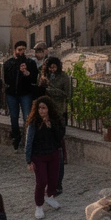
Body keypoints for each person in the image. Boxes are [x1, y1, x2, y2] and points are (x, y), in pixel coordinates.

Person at [25, 96, 65, 219]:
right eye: (39, 108)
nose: (41, 110)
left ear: (49, 109)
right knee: (41, 181)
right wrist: (29, 160)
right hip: (38, 156)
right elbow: (29, 141)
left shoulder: (55, 121)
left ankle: (49, 196)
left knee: (54, 179)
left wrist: (51, 125)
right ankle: (39, 206)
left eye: (44, 108)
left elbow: (60, 136)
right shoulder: (34, 123)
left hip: (53, 154)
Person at [38, 55, 72, 195]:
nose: (52, 70)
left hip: (58, 114)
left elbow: (68, 95)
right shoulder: (43, 76)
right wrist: (42, 85)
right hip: (45, 114)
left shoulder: (64, 78)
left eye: (54, 67)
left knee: (58, 146)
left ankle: (58, 183)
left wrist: (50, 90)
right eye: (50, 67)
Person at [4, 42, 39, 152]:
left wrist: (26, 73)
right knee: (14, 117)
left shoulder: (30, 63)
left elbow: (34, 79)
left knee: (27, 117)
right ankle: (16, 138)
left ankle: (28, 140)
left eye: (23, 49)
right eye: (19, 49)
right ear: (14, 50)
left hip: (26, 94)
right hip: (12, 94)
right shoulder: (8, 63)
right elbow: (7, 80)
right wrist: (17, 70)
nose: (21, 52)